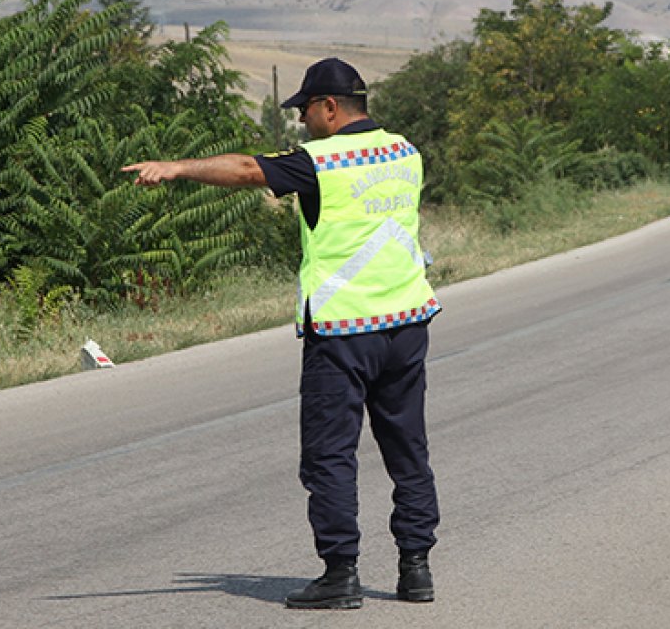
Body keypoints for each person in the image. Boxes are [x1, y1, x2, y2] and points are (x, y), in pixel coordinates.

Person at [122, 58, 441, 610]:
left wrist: (176, 168)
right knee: (407, 449)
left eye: (305, 112)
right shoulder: (404, 152)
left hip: (343, 331)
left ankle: (340, 574)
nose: (302, 124)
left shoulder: (321, 161)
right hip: (407, 323)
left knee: (330, 456)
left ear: (330, 108)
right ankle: (417, 569)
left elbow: (249, 170)